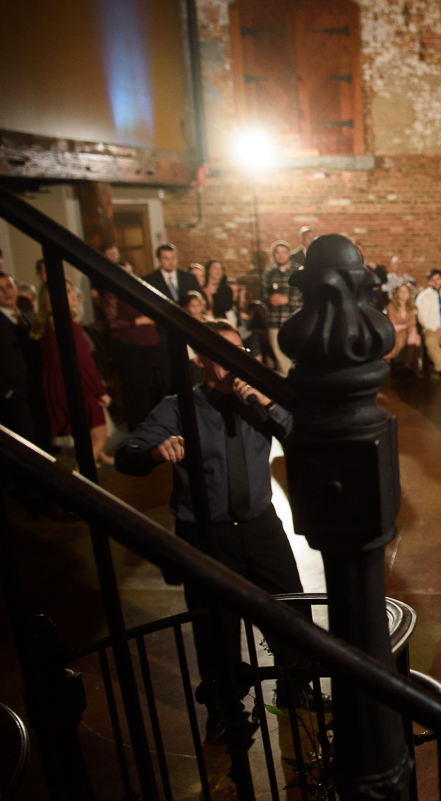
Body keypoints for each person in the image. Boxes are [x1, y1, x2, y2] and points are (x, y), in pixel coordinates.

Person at [114, 321, 305, 741]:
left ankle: (297, 690)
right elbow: (125, 454)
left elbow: (300, 435)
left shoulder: (254, 400)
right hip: (208, 534)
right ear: (199, 360)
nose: (234, 361)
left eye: (240, 351)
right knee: (216, 626)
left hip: (259, 524)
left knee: (292, 610)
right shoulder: (179, 405)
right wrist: (153, 451)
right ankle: (225, 710)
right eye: (222, 353)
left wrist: (265, 401)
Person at [31, 281, 113, 465]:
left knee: (86, 433)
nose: (74, 294)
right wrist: (100, 391)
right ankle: (78, 480)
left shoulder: (48, 326)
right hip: (77, 388)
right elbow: (83, 364)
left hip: (59, 387)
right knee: (100, 438)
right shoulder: (68, 327)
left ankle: (100, 458)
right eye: (67, 291)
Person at [102, 262, 164, 429]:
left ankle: (146, 423)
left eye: (128, 272)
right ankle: (136, 426)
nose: (126, 276)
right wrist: (138, 321)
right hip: (126, 344)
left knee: (144, 387)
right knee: (132, 388)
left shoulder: (137, 290)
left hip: (145, 343)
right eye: (122, 272)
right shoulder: (112, 292)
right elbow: (112, 321)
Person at [0, 272, 37, 441]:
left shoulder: (30, 316)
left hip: (37, 388)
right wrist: (7, 392)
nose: (6, 292)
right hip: (15, 396)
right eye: (0, 289)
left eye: (9, 286)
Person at [261, 240, 303, 376]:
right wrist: (269, 299)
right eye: (277, 253)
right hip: (275, 320)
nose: (280, 256)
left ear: (289, 254)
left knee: (294, 351)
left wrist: (288, 300)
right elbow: (262, 294)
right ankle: (286, 379)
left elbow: (306, 294)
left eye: (283, 252)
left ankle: (291, 378)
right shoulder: (269, 274)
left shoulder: (298, 272)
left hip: (294, 320)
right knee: (277, 350)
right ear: (273, 255)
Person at [384, 282, 422, 371]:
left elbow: (413, 323)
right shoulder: (391, 306)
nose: (403, 294)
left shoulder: (411, 307)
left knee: (414, 331)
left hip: (409, 333)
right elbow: (393, 326)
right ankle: (414, 365)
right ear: (397, 293)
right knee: (417, 338)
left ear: (409, 294)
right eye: (401, 291)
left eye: (406, 292)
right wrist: (405, 326)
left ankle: (409, 362)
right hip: (397, 333)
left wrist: (405, 326)